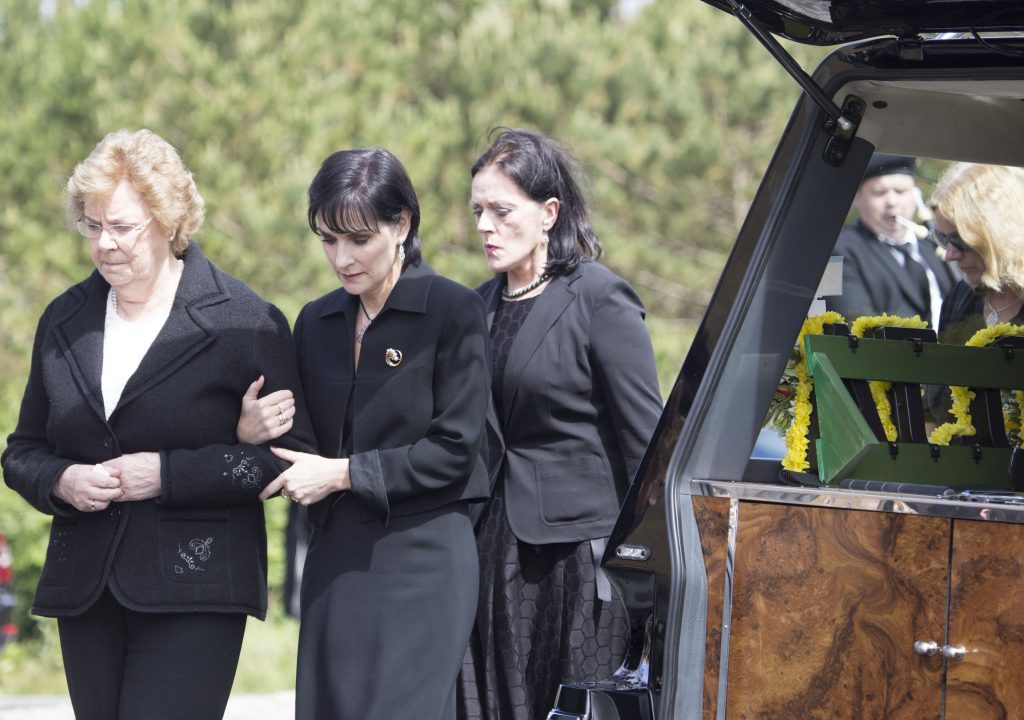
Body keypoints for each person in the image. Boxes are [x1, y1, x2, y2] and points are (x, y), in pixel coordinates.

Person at [0, 129, 314, 720]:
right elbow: (23, 450)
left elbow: (286, 460)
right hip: (85, 587)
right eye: (92, 226)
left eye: (122, 227)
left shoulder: (246, 322)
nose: (104, 244)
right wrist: (61, 480)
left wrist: (166, 474)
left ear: (169, 221)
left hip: (196, 587)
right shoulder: (63, 319)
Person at [237, 147, 491, 719]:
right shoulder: (316, 321)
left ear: (401, 224)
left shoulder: (455, 311)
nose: (341, 258)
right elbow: (295, 447)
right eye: (328, 240)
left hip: (425, 559)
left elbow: (454, 451)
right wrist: (251, 431)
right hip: (336, 559)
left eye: (358, 239)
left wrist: (344, 473)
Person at [459, 128, 663, 720]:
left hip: (579, 558)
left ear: (549, 213)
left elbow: (646, 441)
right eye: (478, 211)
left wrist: (647, 566)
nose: (484, 226)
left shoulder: (598, 297)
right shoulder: (475, 308)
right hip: (491, 552)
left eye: (501, 210)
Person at [924, 163, 1024, 427]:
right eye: (942, 239)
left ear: (998, 233)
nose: (949, 255)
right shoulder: (960, 297)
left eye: (958, 241)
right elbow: (933, 412)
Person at [827, 153, 956, 327]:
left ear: (915, 194)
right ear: (858, 199)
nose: (892, 201)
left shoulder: (933, 246)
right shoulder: (834, 253)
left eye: (901, 191)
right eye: (879, 193)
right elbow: (850, 322)